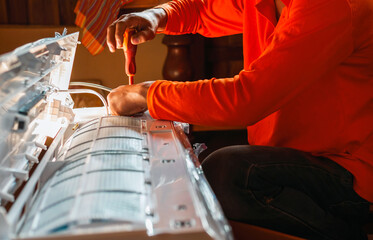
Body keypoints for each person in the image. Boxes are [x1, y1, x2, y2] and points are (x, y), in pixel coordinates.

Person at [106, 0, 373, 239]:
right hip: (298, 156)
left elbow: (246, 99)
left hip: (352, 173)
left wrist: (145, 93)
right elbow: (202, 10)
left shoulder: (332, 6)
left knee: (230, 173)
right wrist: (157, 15)